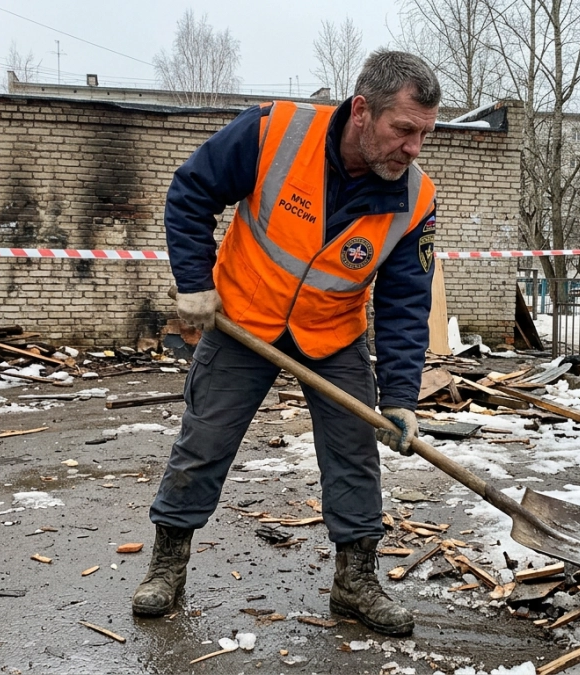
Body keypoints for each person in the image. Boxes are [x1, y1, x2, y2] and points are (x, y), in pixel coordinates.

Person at [132, 50, 442, 637]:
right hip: (243, 321)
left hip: (333, 332)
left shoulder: (414, 200)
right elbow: (191, 191)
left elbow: (406, 304)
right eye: (403, 130)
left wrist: (400, 398)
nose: (413, 148)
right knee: (204, 443)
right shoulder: (272, 132)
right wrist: (195, 285)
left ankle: (354, 583)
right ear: (361, 112)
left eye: (424, 134)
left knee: (355, 453)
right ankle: (166, 568)